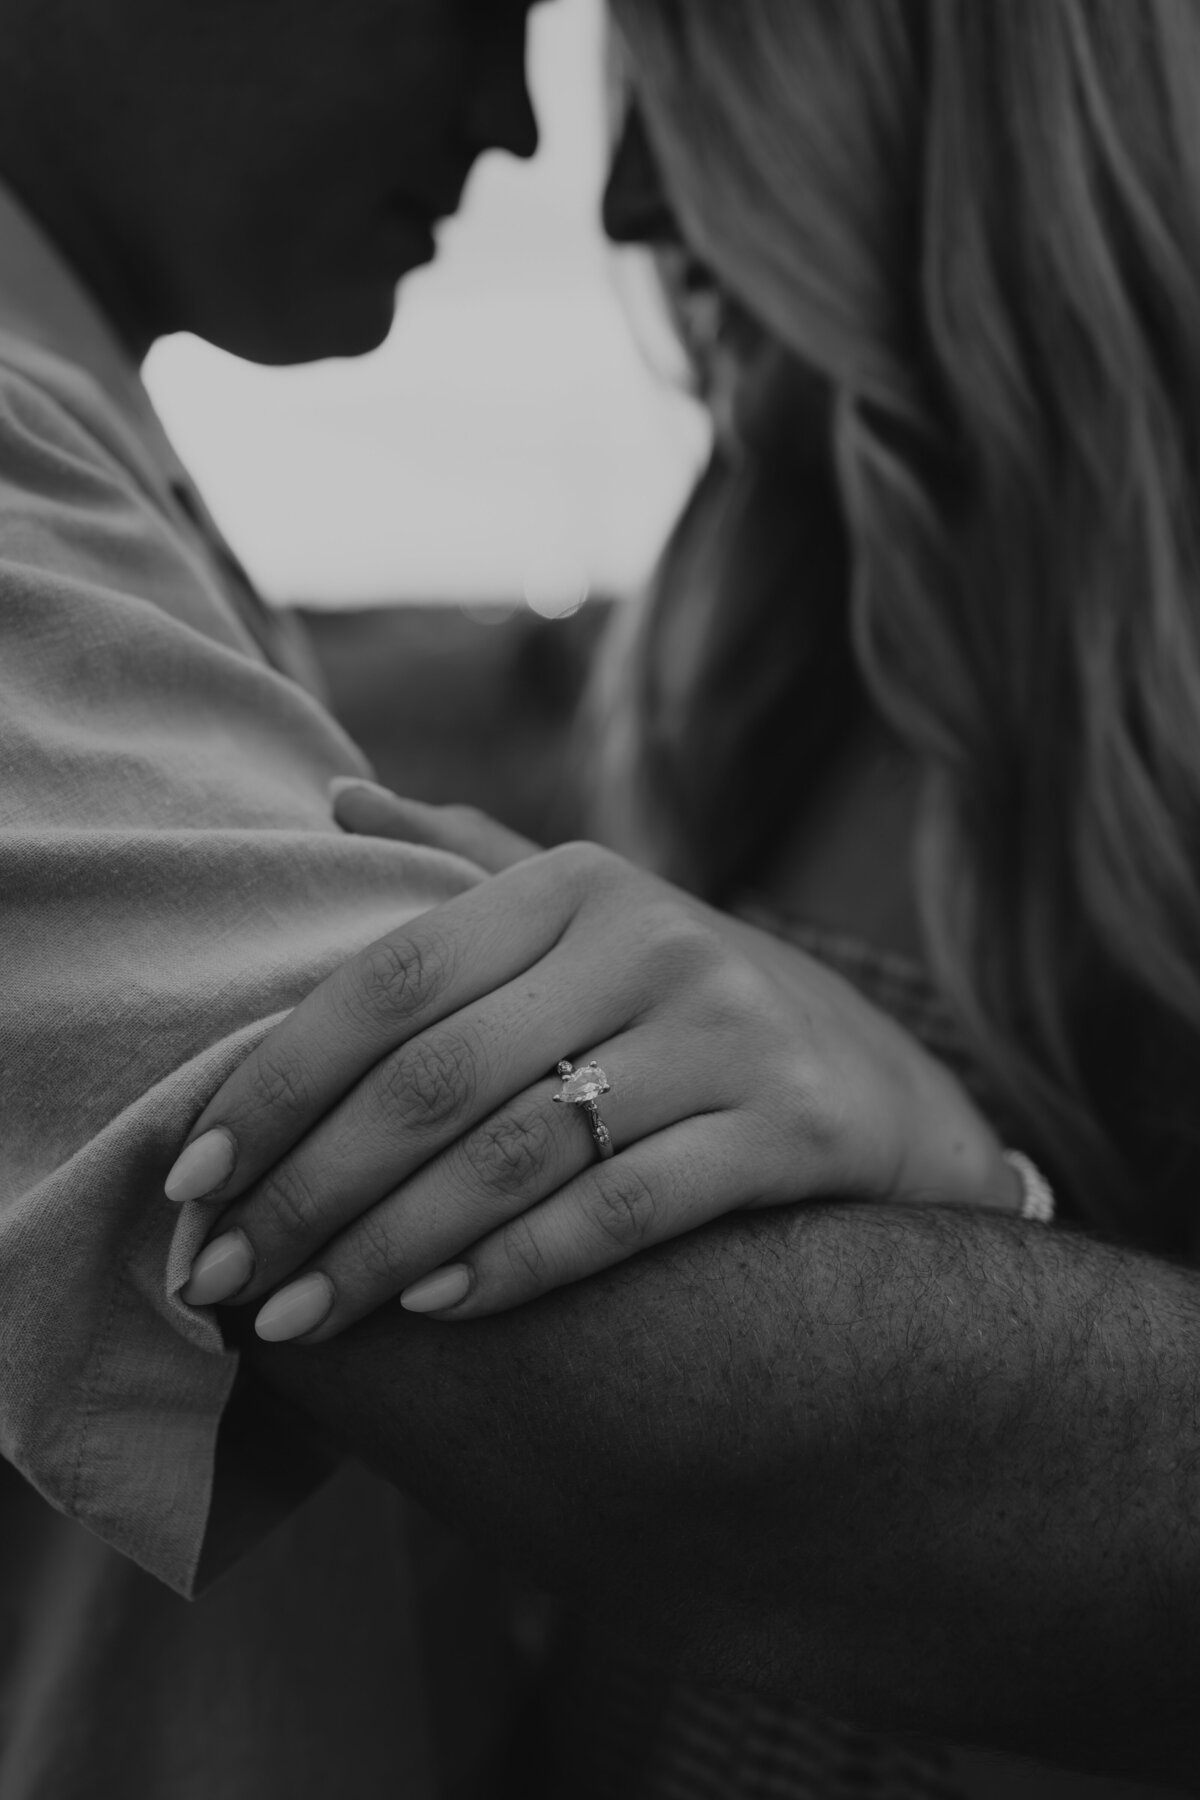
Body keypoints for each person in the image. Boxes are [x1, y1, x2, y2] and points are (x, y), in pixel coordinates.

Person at [160, 1, 1200, 1792]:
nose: (628, 198)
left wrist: (975, 1181)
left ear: (969, 99)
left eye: (703, 97)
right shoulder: (758, 606)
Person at [0, 4, 551, 1797]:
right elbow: (551, 1342)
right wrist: (968, 1169)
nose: (525, 125)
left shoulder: (92, 443)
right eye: (479, 8)